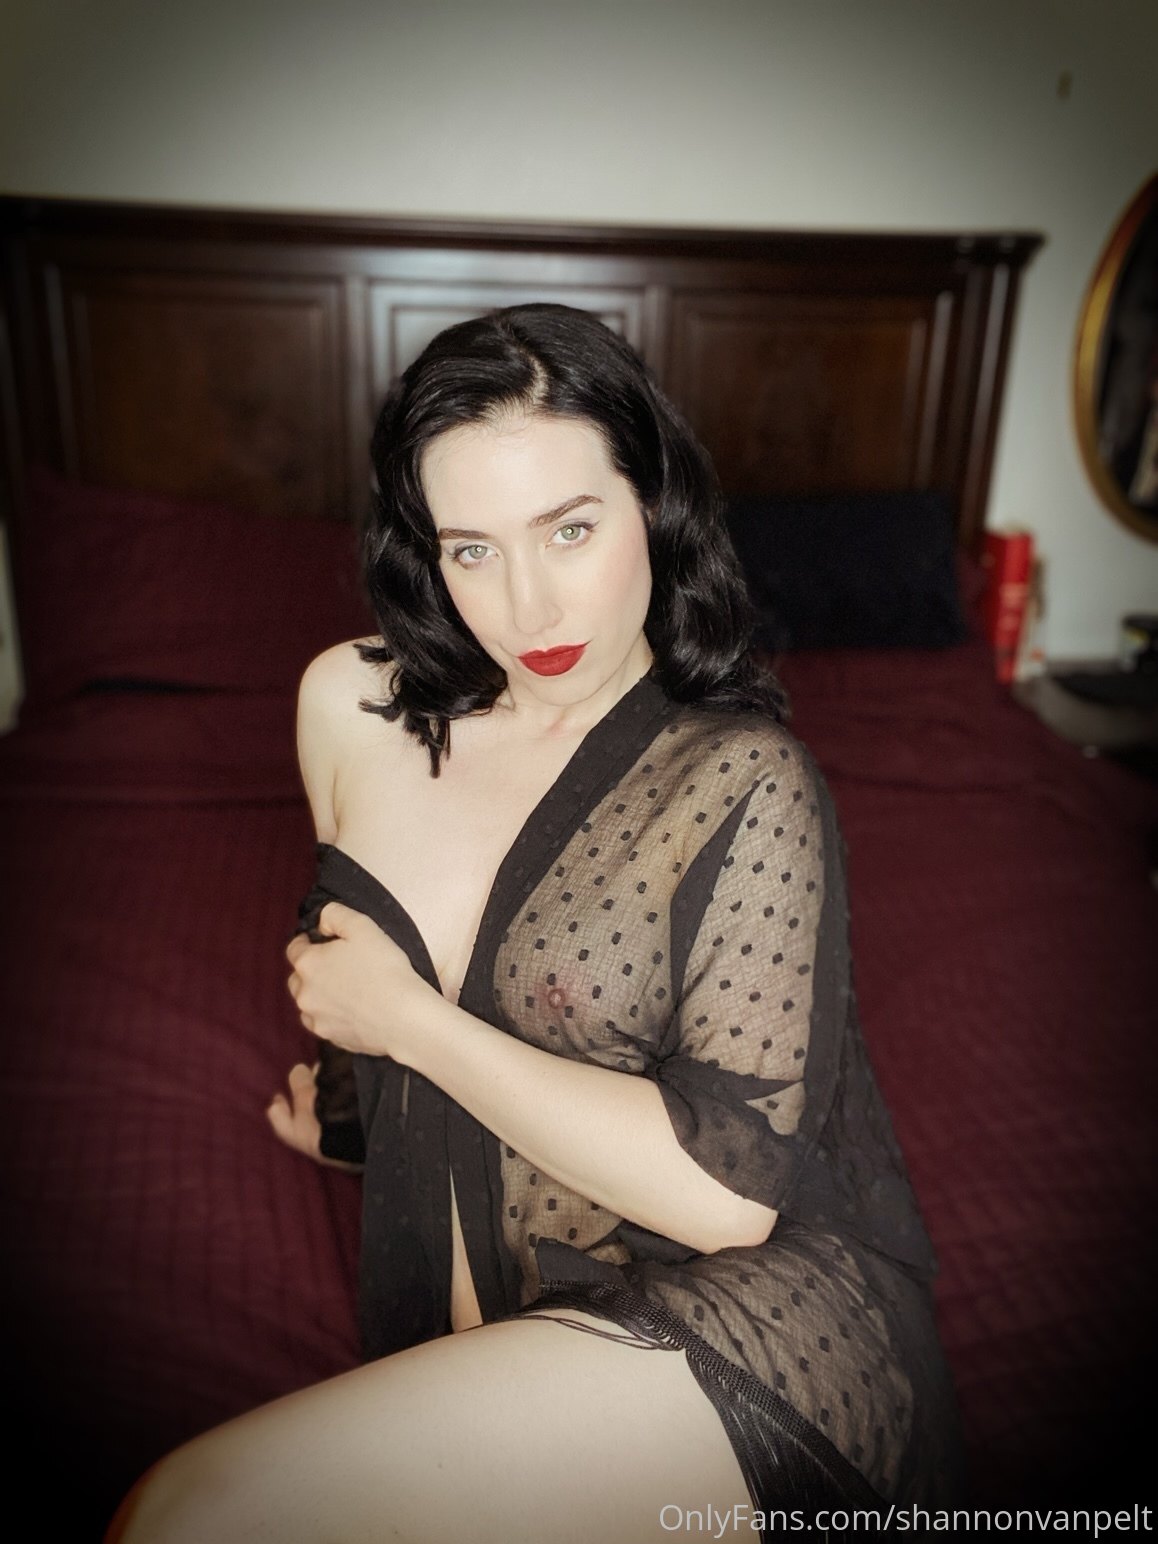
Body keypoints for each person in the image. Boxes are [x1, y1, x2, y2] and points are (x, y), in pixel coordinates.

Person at [109, 304, 963, 1543]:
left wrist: (404, 1026)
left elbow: (726, 1198)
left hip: (749, 1321)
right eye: (473, 548)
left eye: (571, 528)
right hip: (505, 1324)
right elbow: (369, 950)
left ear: (651, 506)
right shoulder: (348, 704)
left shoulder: (742, 777)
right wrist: (350, 1119)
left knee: (187, 1514)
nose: (528, 605)